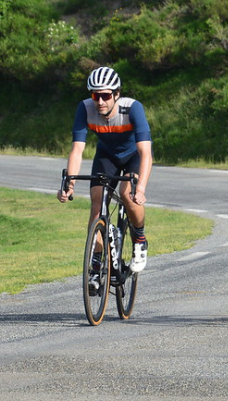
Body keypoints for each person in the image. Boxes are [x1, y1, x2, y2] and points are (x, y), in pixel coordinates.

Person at [57, 66, 153, 290]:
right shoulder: (84, 108)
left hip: (133, 156)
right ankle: (96, 265)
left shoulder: (132, 108)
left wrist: (141, 189)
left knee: (127, 194)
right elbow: (77, 150)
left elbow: (146, 153)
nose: (100, 101)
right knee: (97, 202)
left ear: (116, 94)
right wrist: (69, 184)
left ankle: (140, 239)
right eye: (95, 95)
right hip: (107, 156)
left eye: (105, 96)